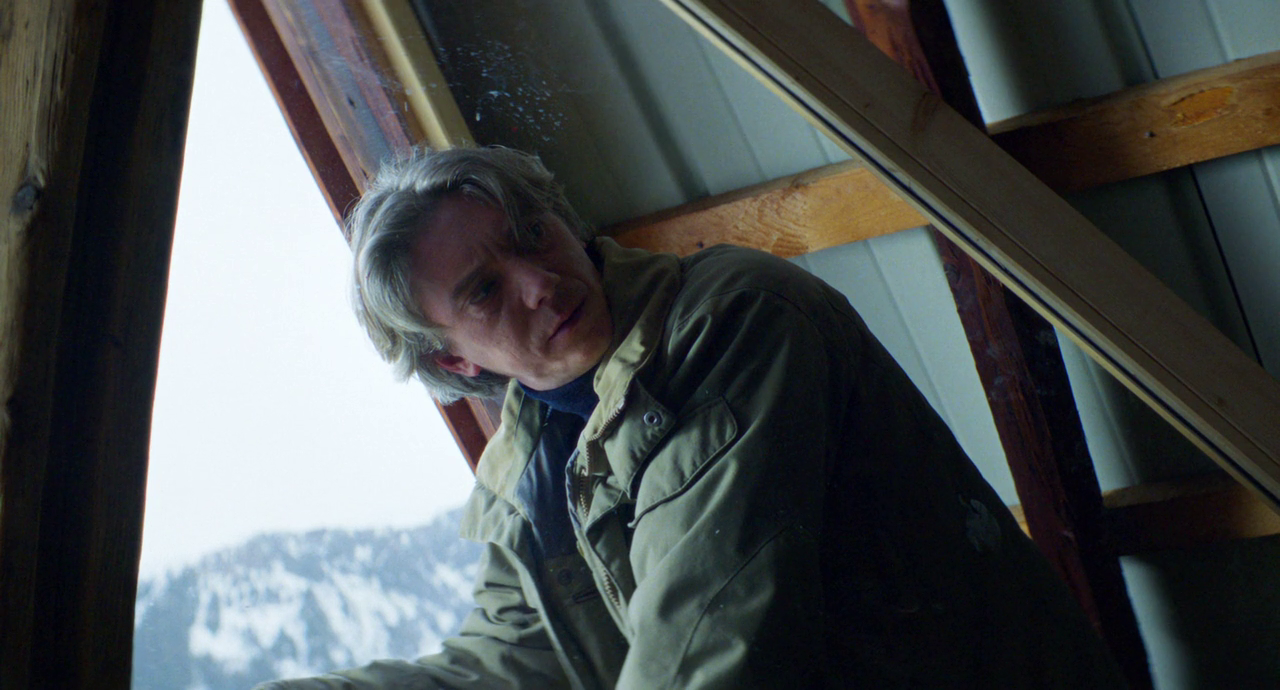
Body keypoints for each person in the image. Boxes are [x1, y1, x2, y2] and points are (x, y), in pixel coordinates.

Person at [257, 146, 1124, 689]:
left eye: (532, 234)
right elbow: (515, 659)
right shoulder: (529, 467)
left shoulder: (730, 320)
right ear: (454, 361)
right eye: (485, 290)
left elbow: (712, 631)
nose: (539, 282)